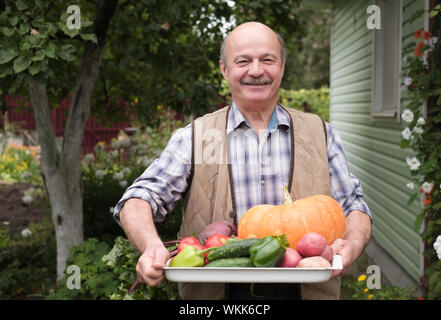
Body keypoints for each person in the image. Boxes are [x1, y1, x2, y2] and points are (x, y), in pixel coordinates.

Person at [113, 21, 373, 300]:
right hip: (217, 293)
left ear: (282, 66)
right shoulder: (198, 136)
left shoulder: (320, 133)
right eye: (243, 61)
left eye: (268, 60)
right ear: (225, 69)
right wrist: (152, 246)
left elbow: (353, 206)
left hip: (306, 289)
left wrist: (354, 243)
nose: (256, 71)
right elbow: (139, 199)